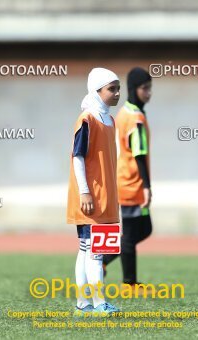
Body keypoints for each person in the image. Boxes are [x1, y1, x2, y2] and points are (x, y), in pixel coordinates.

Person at [67, 68, 121, 316]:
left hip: (107, 197)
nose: (117, 93)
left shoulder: (110, 119)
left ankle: (83, 303)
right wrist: (85, 192)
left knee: (86, 249)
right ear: (97, 91)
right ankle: (99, 303)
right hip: (91, 198)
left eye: (118, 88)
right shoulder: (87, 119)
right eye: (112, 88)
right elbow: (77, 157)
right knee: (95, 252)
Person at [103, 67, 153, 287]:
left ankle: (103, 262)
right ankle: (129, 284)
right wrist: (146, 187)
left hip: (124, 181)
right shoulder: (136, 118)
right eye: (145, 88)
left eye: (150, 88)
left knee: (142, 230)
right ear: (134, 89)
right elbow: (139, 154)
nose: (149, 92)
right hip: (133, 183)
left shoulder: (123, 112)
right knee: (133, 234)